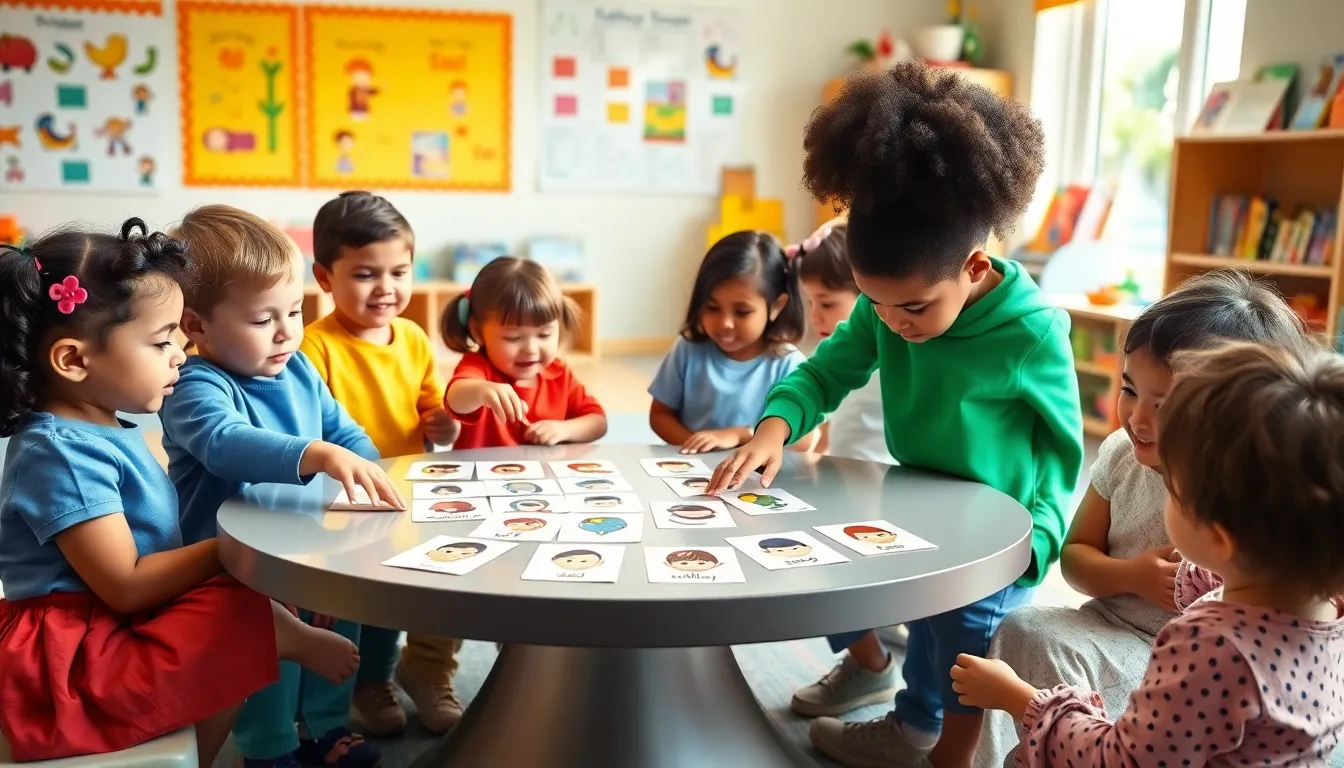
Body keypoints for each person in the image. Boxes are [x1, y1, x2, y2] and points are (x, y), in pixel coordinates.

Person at [707, 61, 1081, 768]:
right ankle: (913, 728)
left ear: (974, 268)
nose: (891, 324)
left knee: (966, 649)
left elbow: (1064, 450)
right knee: (926, 629)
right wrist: (773, 429)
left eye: (912, 307)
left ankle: (951, 755)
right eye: (875, 304)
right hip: (918, 505)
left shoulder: (1033, 332)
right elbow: (826, 372)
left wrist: (1040, 540)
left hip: (997, 535)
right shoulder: (883, 313)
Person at [0, 223, 359, 766]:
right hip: (73, 658)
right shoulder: (60, 455)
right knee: (233, 604)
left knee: (234, 601)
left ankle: (204, 741)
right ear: (73, 360)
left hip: (108, 623)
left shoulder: (97, 429)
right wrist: (234, 549)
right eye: (161, 341)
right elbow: (125, 585)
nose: (182, 355)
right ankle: (275, 639)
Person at [973, 270, 1310, 768]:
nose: (1137, 419)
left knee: (1049, 659)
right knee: (1024, 630)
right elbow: (1075, 557)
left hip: (1182, 666)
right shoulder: (1121, 455)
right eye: (1130, 391)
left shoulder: (1252, 505)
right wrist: (1133, 576)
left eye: (1165, 403)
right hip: (1107, 626)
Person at [162, 205, 402, 768]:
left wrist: (368, 470)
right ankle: (269, 748)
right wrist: (314, 454)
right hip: (236, 566)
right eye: (261, 319)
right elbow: (224, 441)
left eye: (294, 311)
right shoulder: (193, 386)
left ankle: (324, 726)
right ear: (196, 326)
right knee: (265, 652)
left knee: (337, 628)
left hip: (307, 546)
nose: (287, 331)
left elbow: (345, 433)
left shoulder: (297, 369)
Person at [302, 191, 464, 735]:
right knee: (362, 596)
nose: (386, 288)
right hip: (346, 499)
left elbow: (431, 404)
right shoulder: (315, 347)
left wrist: (443, 424)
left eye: (399, 272)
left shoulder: (413, 337)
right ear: (325, 278)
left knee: (419, 582)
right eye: (365, 274)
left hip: (410, 487)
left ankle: (415, 671)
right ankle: (369, 681)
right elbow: (312, 427)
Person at [648, 230, 813, 455]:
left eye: (742, 312)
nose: (725, 323)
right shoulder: (687, 350)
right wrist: (699, 448)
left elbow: (805, 439)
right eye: (712, 307)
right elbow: (660, 415)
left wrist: (740, 435)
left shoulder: (788, 364)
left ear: (776, 306)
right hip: (695, 469)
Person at [441, 256, 607, 448]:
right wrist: (480, 391)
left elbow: (598, 421)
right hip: (482, 468)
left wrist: (564, 429)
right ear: (477, 332)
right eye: (513, 338)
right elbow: (455, 398)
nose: (531, 349)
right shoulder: (478, 368)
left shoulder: (558, 374)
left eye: (544, 334)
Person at [794, 223, 890, 465]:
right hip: (841, 472)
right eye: (810, 302)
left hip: (885, 475)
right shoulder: (828, 359)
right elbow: (832, 425)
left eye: (827, 304)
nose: (815, 316)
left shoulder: (886, 357)